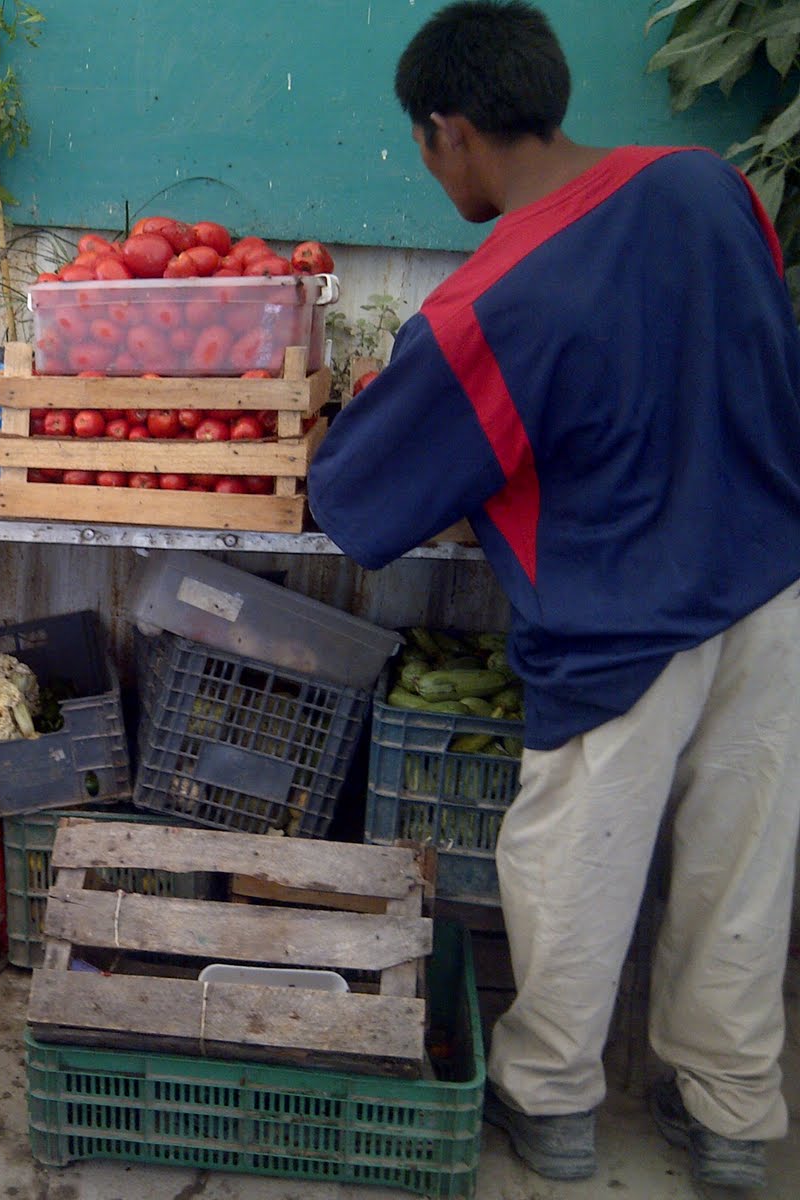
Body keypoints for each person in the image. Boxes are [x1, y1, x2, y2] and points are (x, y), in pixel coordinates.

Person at [306, 1, 800, 1191]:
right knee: (744, 864)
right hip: (772, 588)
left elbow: (357, 500)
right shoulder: (711, 190)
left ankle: (552, 1099)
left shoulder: (492, 301)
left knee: (575, 863)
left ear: (449, 129)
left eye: (424, 149)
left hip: (619, 624)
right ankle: (733, 1115)